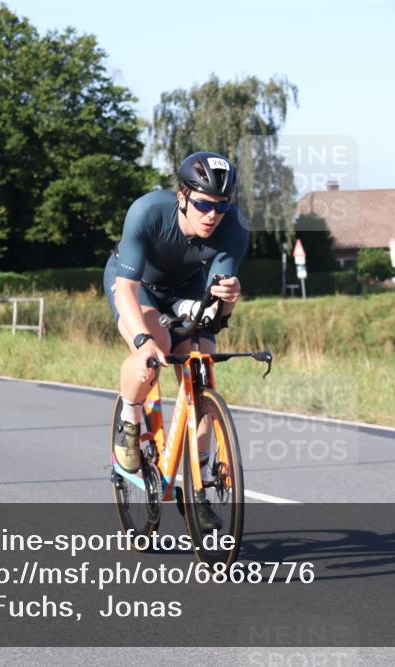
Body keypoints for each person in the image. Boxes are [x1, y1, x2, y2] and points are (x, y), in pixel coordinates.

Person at [103, 151, 249, 530]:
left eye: (220, 206)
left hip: (186, 288)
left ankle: (197, 486)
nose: (211, 215)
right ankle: (130, 423)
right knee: (157, 348)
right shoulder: (147, 212)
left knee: (203, 365)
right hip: (137, 286)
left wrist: (228, 301)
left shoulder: (234, 229)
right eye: (202, 203)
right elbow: (125, 291)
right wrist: (142, 340)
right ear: (182, 195)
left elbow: (216, 318)